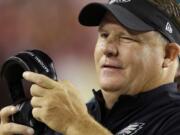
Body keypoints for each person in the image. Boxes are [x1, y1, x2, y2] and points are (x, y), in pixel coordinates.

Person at [0, 0, 180, 135]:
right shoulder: (69, 116)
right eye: (104, 35)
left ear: (168, 55)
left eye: (126, 38)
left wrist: (76, 124)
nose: (108, 49)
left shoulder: (173, 120)